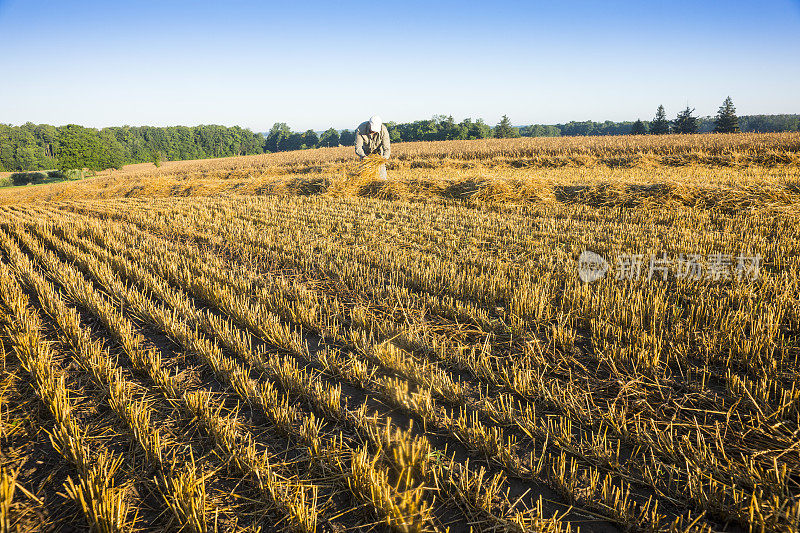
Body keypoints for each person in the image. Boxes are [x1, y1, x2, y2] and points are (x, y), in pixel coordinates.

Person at [355, 115, 391, 179]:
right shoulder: (361, 129)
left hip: (378, 155)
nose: (374, 131)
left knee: (382, 176)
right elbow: (358, 147)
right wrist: (363, 156)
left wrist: (384, 158)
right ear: (369, 124)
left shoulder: (383, 130)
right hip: (365, 154)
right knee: (363, 176)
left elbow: (387, 148)